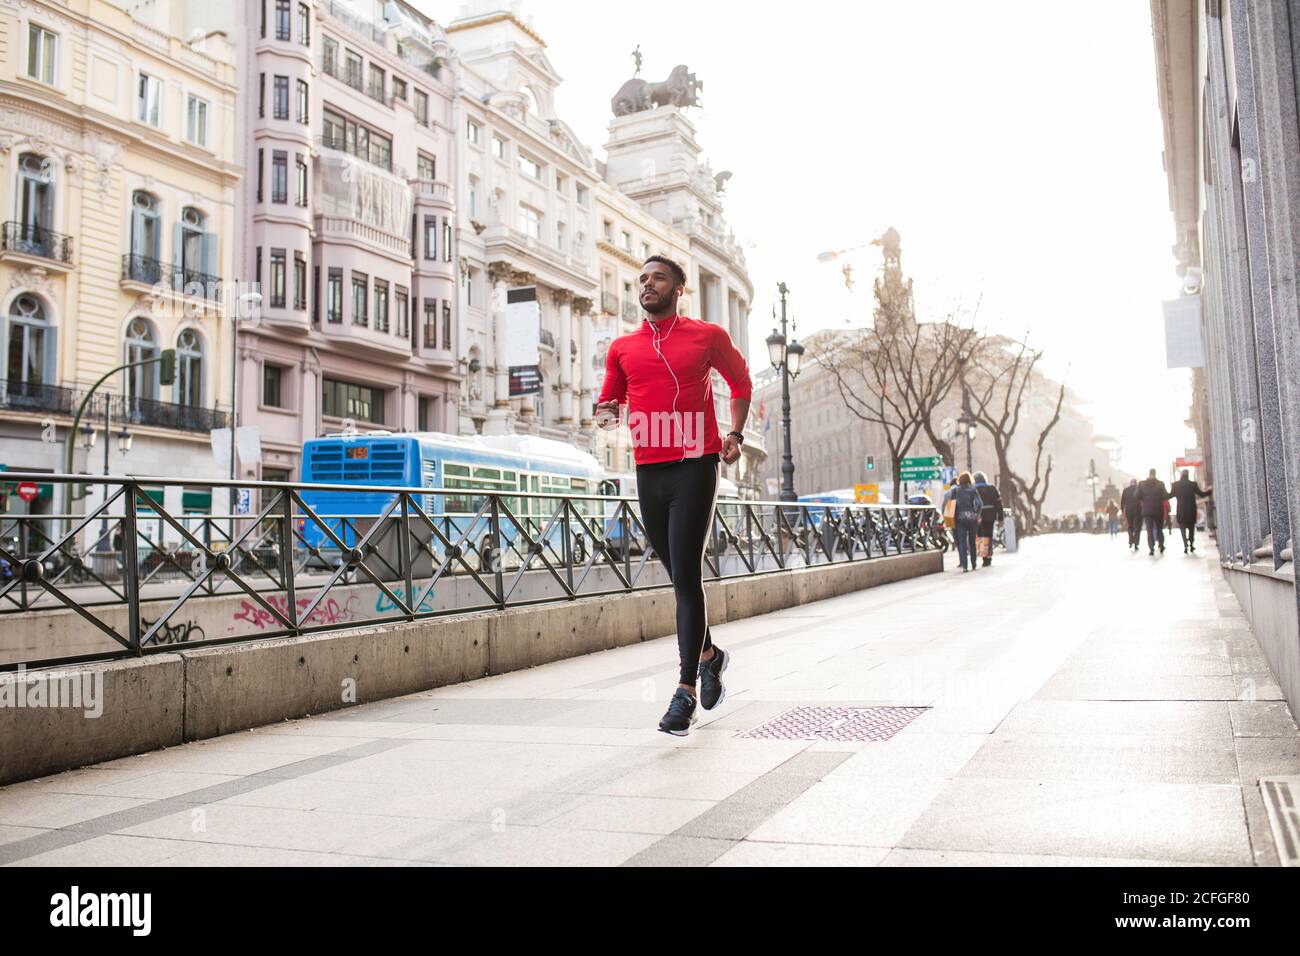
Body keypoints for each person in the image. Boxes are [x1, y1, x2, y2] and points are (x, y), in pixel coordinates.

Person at [595, 255, 752, 736]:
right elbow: (609, 401)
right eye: (641, 279)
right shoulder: (622, 347)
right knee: (677, 573)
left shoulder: (707, 336)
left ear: (678, 288)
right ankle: (709, 654)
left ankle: (684, 691)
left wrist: (736, 434)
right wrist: (605, 414)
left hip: (695, 463)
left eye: (657, 278)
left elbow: (741, 382)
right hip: (648, 470)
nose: (647, 284)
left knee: (686, 571)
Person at [943, 472, 983, 572]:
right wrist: (977, 513)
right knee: (972, 541)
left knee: (962, 542)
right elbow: (979, 504)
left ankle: (965, 566)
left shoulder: (955, 490)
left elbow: (951, 504)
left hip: (959, 519)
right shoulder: (973, 490)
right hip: (972, 518)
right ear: (969, 479)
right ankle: (973, 563)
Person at [1170, 469, 1212, 553]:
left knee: (1182, 529)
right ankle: (1192, 545)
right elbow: (1201, 494)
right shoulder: (1192, 484)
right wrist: (1210, 491)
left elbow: (1169, 495)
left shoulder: (1175, 485)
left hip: (1181, 511)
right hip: (1191, 510)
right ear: (1188, 475)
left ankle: (1185, 545)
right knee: (1191, 529)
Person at [1137, 468, 1172, 555]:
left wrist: (1144, 498)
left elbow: (1136, 495)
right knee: (1159, 529)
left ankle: (1151, 548)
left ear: (1149, 474)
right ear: (1155, 474)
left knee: (1149, 530)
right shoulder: (1160, 484)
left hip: (1147, 511)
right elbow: (1165, 496)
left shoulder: (1142, 484)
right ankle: (1161, 545)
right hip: (1158, 510)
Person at [971, 472, 1003, 567]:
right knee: (988, 535)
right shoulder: (992, 488)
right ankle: (988, 557)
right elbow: (998, 503)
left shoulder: (973, 489)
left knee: (980, 535)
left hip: (978, 516)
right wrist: (1000, 516)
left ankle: (984, 558)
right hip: (990, 515)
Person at [1120, 478, 1142, 550]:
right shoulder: (1138, 489)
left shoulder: (1126, 490)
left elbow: (1122, 501)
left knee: (1130, 525)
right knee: (1137, 526)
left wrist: (1122, 510)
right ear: (1136, 483)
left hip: (1128, 509)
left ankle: (1130, 541)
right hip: (1137, 509)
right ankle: (1136, 542)